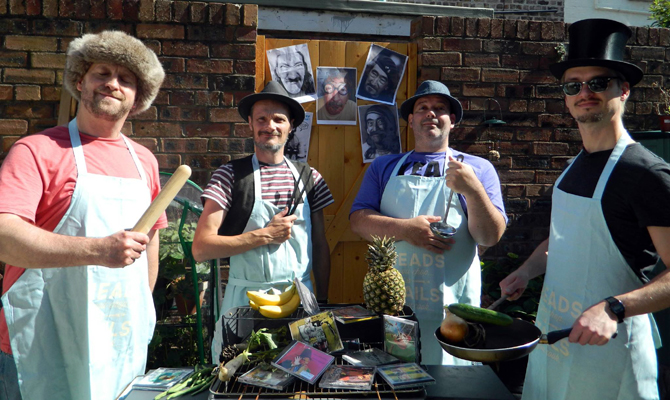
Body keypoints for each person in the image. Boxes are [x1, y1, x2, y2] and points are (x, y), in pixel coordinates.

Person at [499, 19, 670, 400]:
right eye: (573, 85)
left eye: (598, 82)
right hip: (554, 342)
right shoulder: (576, 164)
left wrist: (613, 308)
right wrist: (527, 270)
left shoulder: (646, 173)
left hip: (610, 356)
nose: (584, 93)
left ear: (623, 90)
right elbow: (565, 239)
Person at [0, 31, 166, 400]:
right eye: (101, 73)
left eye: (125, 79)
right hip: (43, 337)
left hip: (117, 340)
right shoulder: (36, 150)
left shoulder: (145, 162)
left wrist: (139, 308)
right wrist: (98, 251)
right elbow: (5, 237)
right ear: (79, 81)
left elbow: (150, 241)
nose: (112, 84)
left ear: (137, 98)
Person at [350, 80, 507, 365]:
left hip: (453, 307)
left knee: (453, 384)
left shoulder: (478, 169)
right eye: (422, 108)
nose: (431, 113)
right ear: (411, 120)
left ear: (453, 121)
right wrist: (406, 230)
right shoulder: (384, 167)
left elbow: (489, 237)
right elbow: (359, 222)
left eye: (440, 108)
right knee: (399, 376)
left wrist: (472, 190)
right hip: (395, 304)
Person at [192, 81, 334, 361]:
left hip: (300, 301)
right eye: (262, 118)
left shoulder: (311, 178)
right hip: (244, 302)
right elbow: (201, 248)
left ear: (290, 125)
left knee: (301, 378)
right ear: (250, 124)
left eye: (279, 118)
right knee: (238, 377)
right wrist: (265, 235)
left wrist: (324, 301)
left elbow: (319, 243)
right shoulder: (229, 176)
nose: (270, 125)